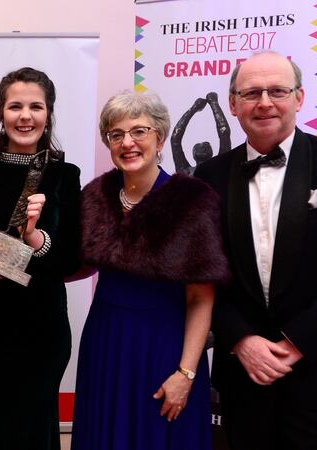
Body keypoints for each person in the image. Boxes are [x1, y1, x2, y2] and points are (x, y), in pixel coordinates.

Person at [194, 51, 317, 450]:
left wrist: (295, 343)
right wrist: (239, 340)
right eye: (251, 93)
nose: (264, 102)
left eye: (277, 90)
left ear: (299, 98)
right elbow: (207, 271)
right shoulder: (209, 175)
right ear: (232, 104)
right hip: (244, 379)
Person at [71, 91, 230, 450]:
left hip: (164, 347)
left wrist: (186, 374)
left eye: (139, 131)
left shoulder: (192, 200)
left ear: (160, 137)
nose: (127, 142)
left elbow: (201, 297)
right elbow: (78, 266)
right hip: (106, 342)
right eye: (116, 134)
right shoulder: (95, 196)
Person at [0, 67, 81, 450]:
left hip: (39, 329)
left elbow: (70, 259)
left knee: (34, 429)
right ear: (1, 113)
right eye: (15, 106)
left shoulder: (65, 175)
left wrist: (35, 238)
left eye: (36, 106)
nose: (26, 116)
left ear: (48, 113)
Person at [171, 92, 231, 175]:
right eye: (199, 146)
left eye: (206, 145)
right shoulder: (185, 172)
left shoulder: (220, 166)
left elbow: (224, 133)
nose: (202, 145)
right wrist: (194, 108)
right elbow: (175, 139)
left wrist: (213, 103)